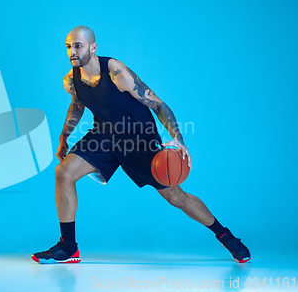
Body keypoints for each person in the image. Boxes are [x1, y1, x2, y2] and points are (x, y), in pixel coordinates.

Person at [31, 26, 250, 264]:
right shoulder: (72, 80)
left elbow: (159, 105)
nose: (72, 51)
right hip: (104, 136)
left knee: (176, 197)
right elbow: (78, 104)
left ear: (93, 47)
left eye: (78, 45)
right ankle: (68, 247)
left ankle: (226, 236)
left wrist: (178, 138)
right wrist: (64, 137)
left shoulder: (117, 73)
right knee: (63, 173)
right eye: (68, 47)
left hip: (139, 139)